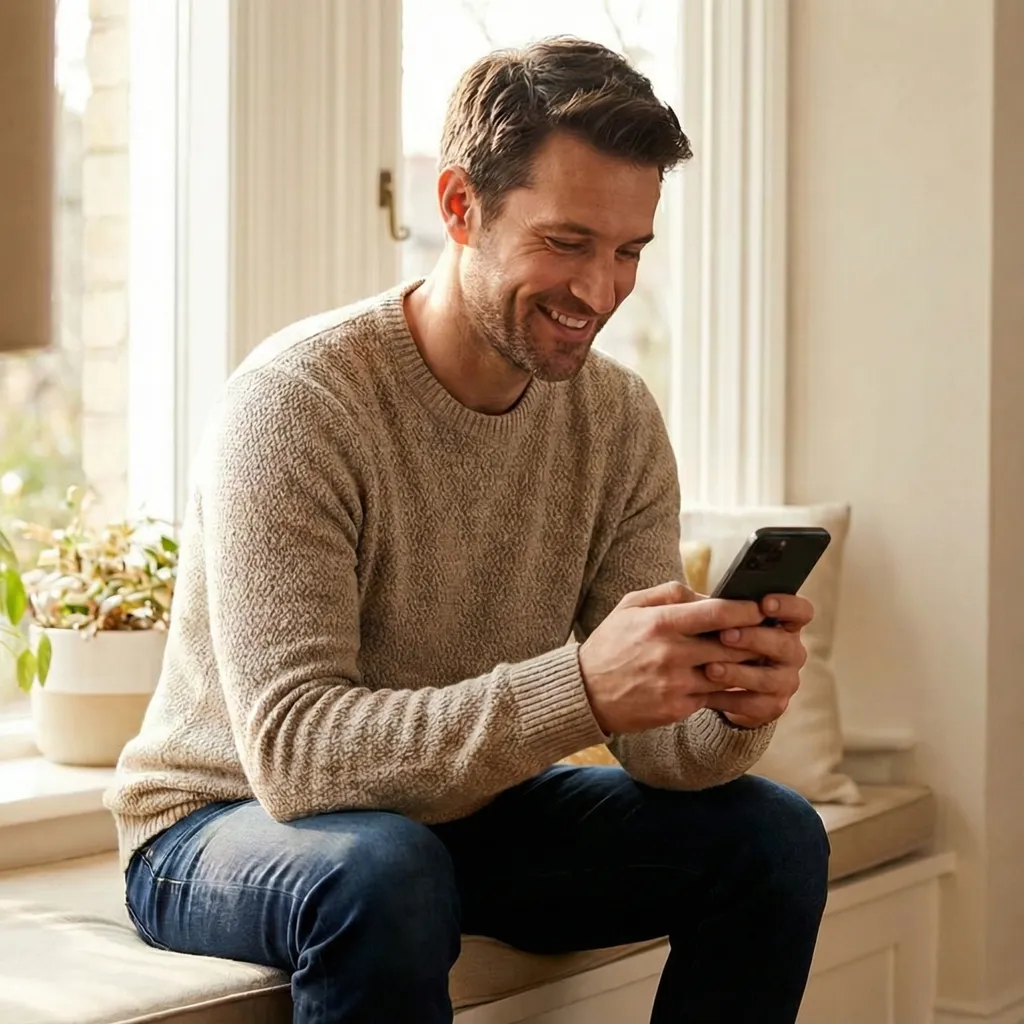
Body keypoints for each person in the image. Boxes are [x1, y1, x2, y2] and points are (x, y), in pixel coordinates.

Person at [106, 37, 829, 1024]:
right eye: (566, 243)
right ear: (458, 207)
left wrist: (732, 703)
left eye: (628, 251)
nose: (601, 291)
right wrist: (578, 687)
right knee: (385, 869)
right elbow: (295, 753)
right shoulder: (299, 404)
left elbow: (666, 757)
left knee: (773, 836)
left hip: (458, 811)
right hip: (218, 823)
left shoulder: (615, 421)